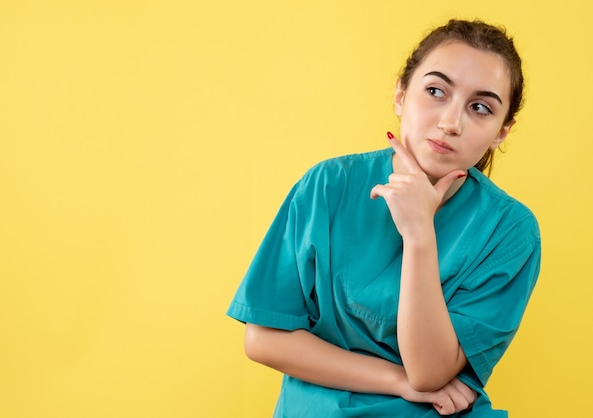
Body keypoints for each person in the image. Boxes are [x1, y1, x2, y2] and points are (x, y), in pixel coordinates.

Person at [227, 19, 541, 417]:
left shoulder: (511, 231)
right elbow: (263, 339)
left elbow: (429, 371)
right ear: (400, 94)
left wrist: (419, 234)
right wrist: (396, 380)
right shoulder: (329, 186)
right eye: (435, 91)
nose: (450, 123)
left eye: (480, 108)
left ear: (502, 131)